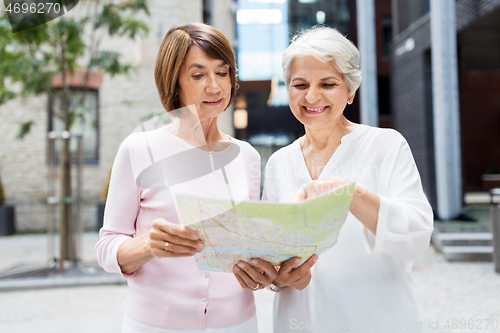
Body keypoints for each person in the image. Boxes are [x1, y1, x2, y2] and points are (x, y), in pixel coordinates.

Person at [96, 23, 276, 333]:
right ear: (174, 82)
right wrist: (149, 245)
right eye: (198, 75)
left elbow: (250, 245)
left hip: (239, 324)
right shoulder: (140, 149)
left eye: (223, 73)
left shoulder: (247, 156)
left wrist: (262, 271)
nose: (215, 86)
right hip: (156, 325)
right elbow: (107, 247)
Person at [262, 27, 434, 332]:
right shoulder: (278, 163)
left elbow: (417, 235)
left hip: (375, 320)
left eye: (327, 83)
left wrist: (349, 194)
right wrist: (278, 277)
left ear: (350, 90)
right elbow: (271, 251)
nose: (311, 96)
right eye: (300, 84)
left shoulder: (386, 145)